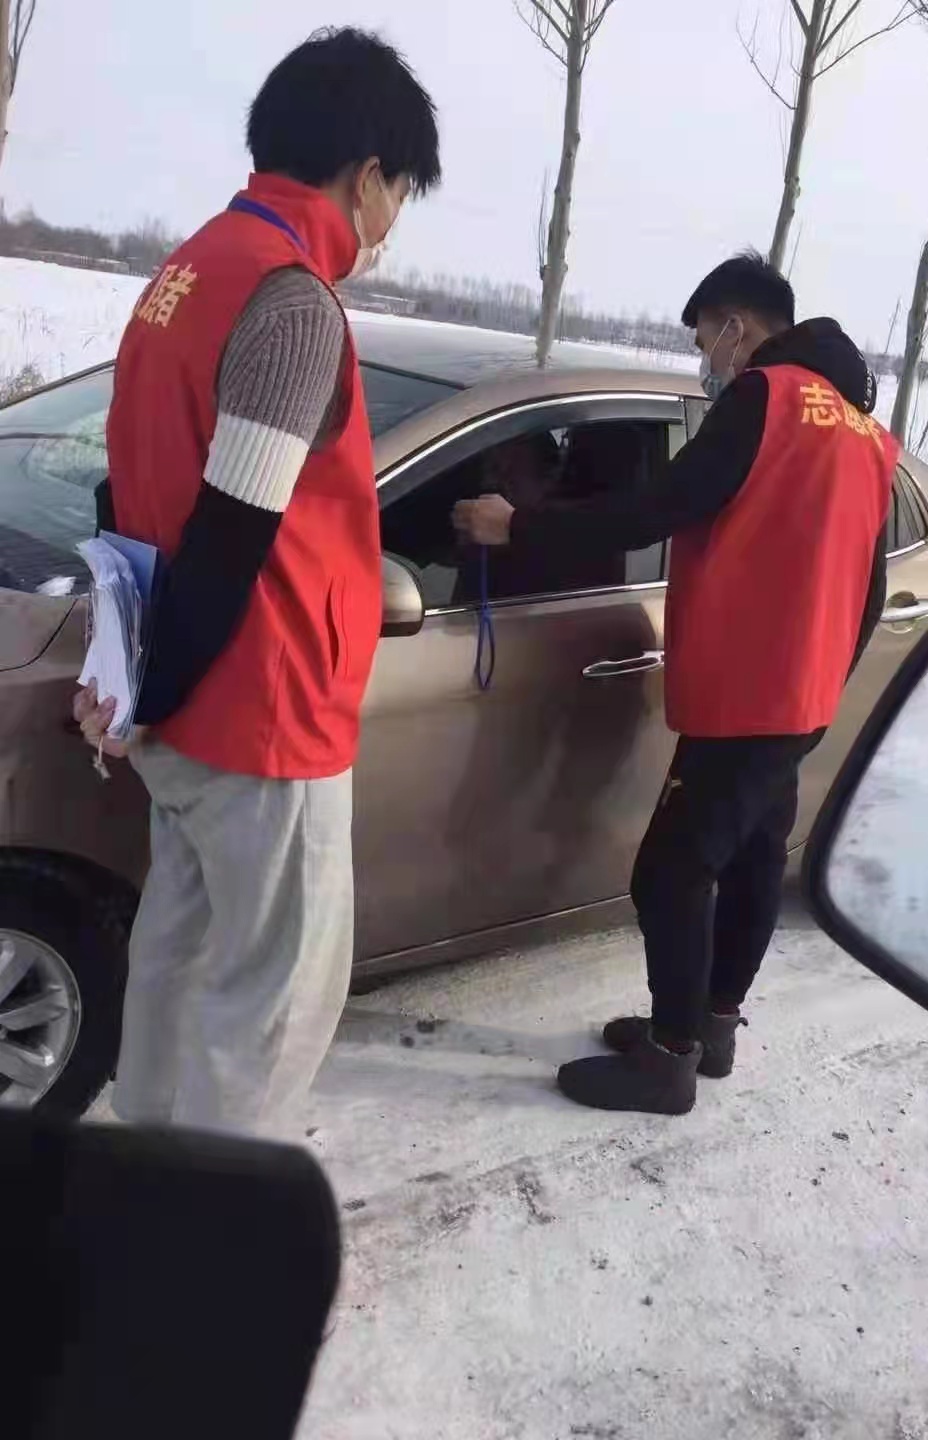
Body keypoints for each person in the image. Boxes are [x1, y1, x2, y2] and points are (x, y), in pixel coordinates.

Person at [73, 28, 440, 1133]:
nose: (392, 222)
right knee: (271, 1008)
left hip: (186, 710)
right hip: (263, 718)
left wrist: (137, 688)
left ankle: (139, 1179)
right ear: (366, 176)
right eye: (401, 193)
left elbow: (130, 487)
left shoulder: (188, 270)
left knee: (175, 965)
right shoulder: (290, 302)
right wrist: (155, 691)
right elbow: (233, 534)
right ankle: (216, 1219)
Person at [453, 252, 895, 1117]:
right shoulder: (863, 433)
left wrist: (520, 525)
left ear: (737, 325)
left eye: (704, 340)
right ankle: (710, 1028)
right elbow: (869, 588)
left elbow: (657, 508)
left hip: (746, 695)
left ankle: (668, 1061)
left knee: (670, 872)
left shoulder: (763, 400)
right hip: (800, 697)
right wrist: (820, 682)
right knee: (755, 856)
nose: (707, 359)